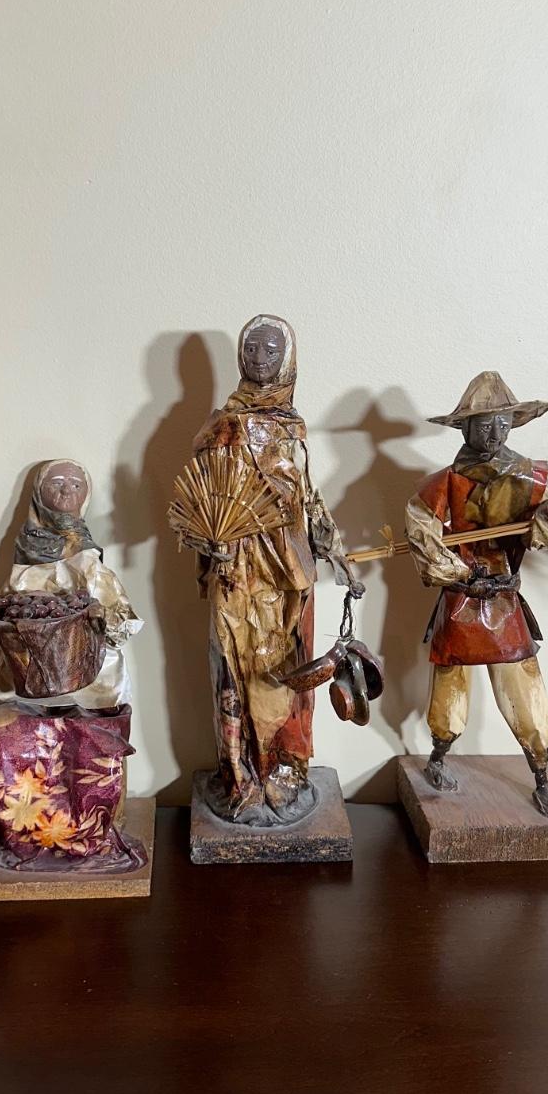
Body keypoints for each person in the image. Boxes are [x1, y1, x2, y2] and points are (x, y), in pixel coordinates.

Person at [184, 314, 362, 826]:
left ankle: (284, 771)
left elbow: (308, 498)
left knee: (287, 668)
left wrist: (338, 554)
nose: (259, 358)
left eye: (270, 349)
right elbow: (202, 500)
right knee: (235, 668)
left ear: (287, 359)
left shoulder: (292, 426)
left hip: (287, 571)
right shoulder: (223, 426)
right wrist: (211, 545)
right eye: (251, 348)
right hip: (239, 569)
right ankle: (239, 777)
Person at [405, 371, 548, 818]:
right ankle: (438, 755)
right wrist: (459, 573)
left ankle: (540, 774)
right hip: (461, 598)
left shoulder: (526, 478)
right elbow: (421, 530)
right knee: (450, 686)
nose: (494, 434)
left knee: (523, 684)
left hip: (503, 599)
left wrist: (539, 526)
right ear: (465, 428)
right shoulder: (444, 482)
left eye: (502, 423)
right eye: (484, 424)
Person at [0, 459, 147, 871]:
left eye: (77, 484)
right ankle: (31, 832)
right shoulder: (25, 552)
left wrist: (101, 618)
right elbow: (10, 608)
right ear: (38, 495)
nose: (67, 491)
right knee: (4, 732)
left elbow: (121, 616)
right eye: (57, 483)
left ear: (87, 496)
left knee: (91, 743)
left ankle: (91, 828)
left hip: (91, 674)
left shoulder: (90, 557)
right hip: (31, 674)